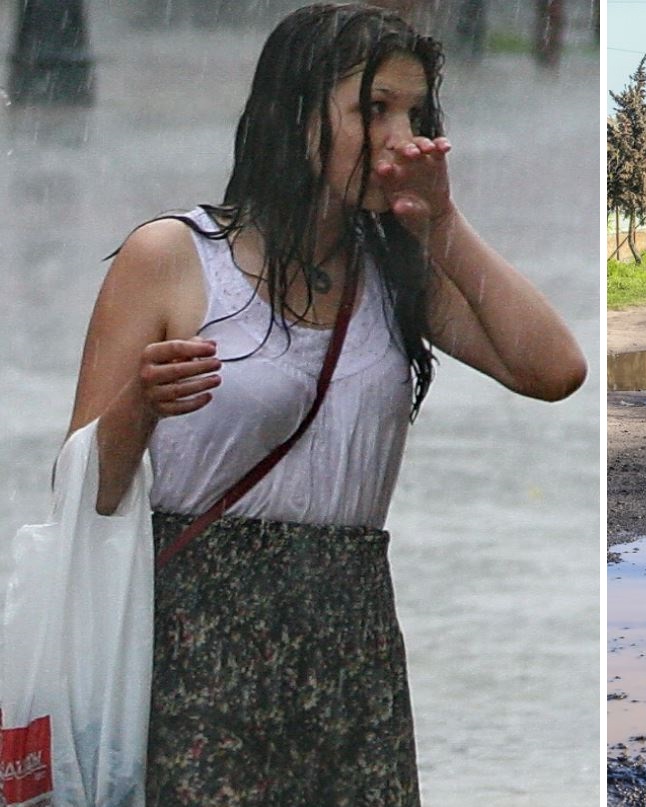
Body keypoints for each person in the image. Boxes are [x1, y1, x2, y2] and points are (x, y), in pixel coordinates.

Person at [65, 4, 586, 804]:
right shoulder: (172, 258)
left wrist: (440, 221)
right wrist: (140, 403)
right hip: (195, 650)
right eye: (373, 111)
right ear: (297, 115)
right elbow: (82, 496)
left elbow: (555, 369)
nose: (401, 138)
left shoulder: (399, 271)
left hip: (354, 652)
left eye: (415, 113)